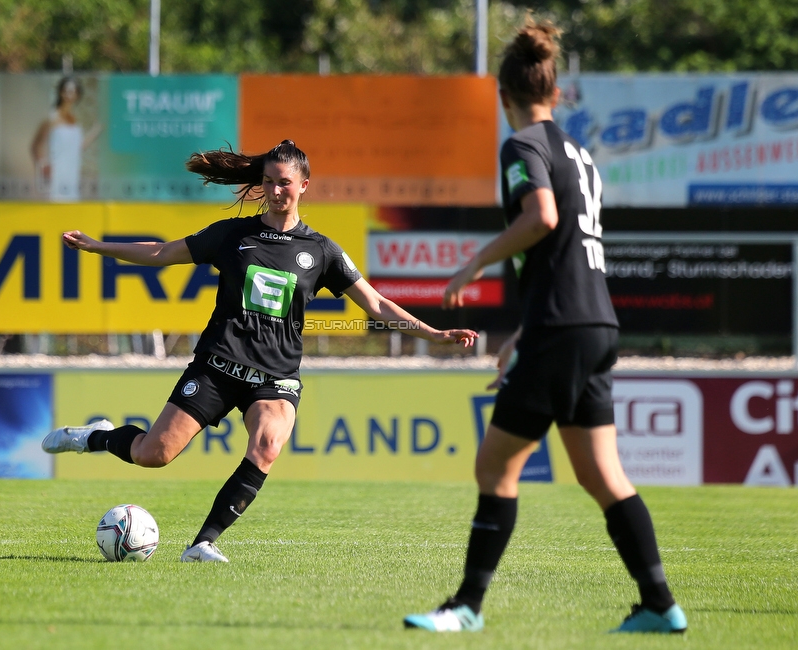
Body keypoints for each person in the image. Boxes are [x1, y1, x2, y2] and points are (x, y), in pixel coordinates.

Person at [42, 140, 478, 563]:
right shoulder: (233, 235)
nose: (274, 191)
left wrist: (434, 334)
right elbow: (162, 251)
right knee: (151, 455)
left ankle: (203, 543)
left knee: (267, 444)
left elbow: (377, 304)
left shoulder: (321, 251)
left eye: (284, 182)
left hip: (275, 379)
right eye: (268, 181)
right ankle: (94, 436)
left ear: (304, 185)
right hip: (217, 368)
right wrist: (97, 246)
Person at [403, 15, 687, 634]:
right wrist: (528, 337)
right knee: (600, 474)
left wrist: (476, 260)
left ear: (504, 96)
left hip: (564, 329)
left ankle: (467, 608)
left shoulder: (523, 145)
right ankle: (662, 605)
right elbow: (568, 261)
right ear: (556, 94)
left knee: (494, 469)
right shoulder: (581, 155)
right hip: (591, 324)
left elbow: (543, 220)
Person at [30, 76, 102, 202]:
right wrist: (44, 166)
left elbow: (78, 147)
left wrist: (95, 131)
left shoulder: (75, 120)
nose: (70, 95)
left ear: (78, 94)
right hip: (56, 174)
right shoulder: (52, 117)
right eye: (67, 91)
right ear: (60, 92)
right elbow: (36, 145)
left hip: (72, 173)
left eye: (73, 91)